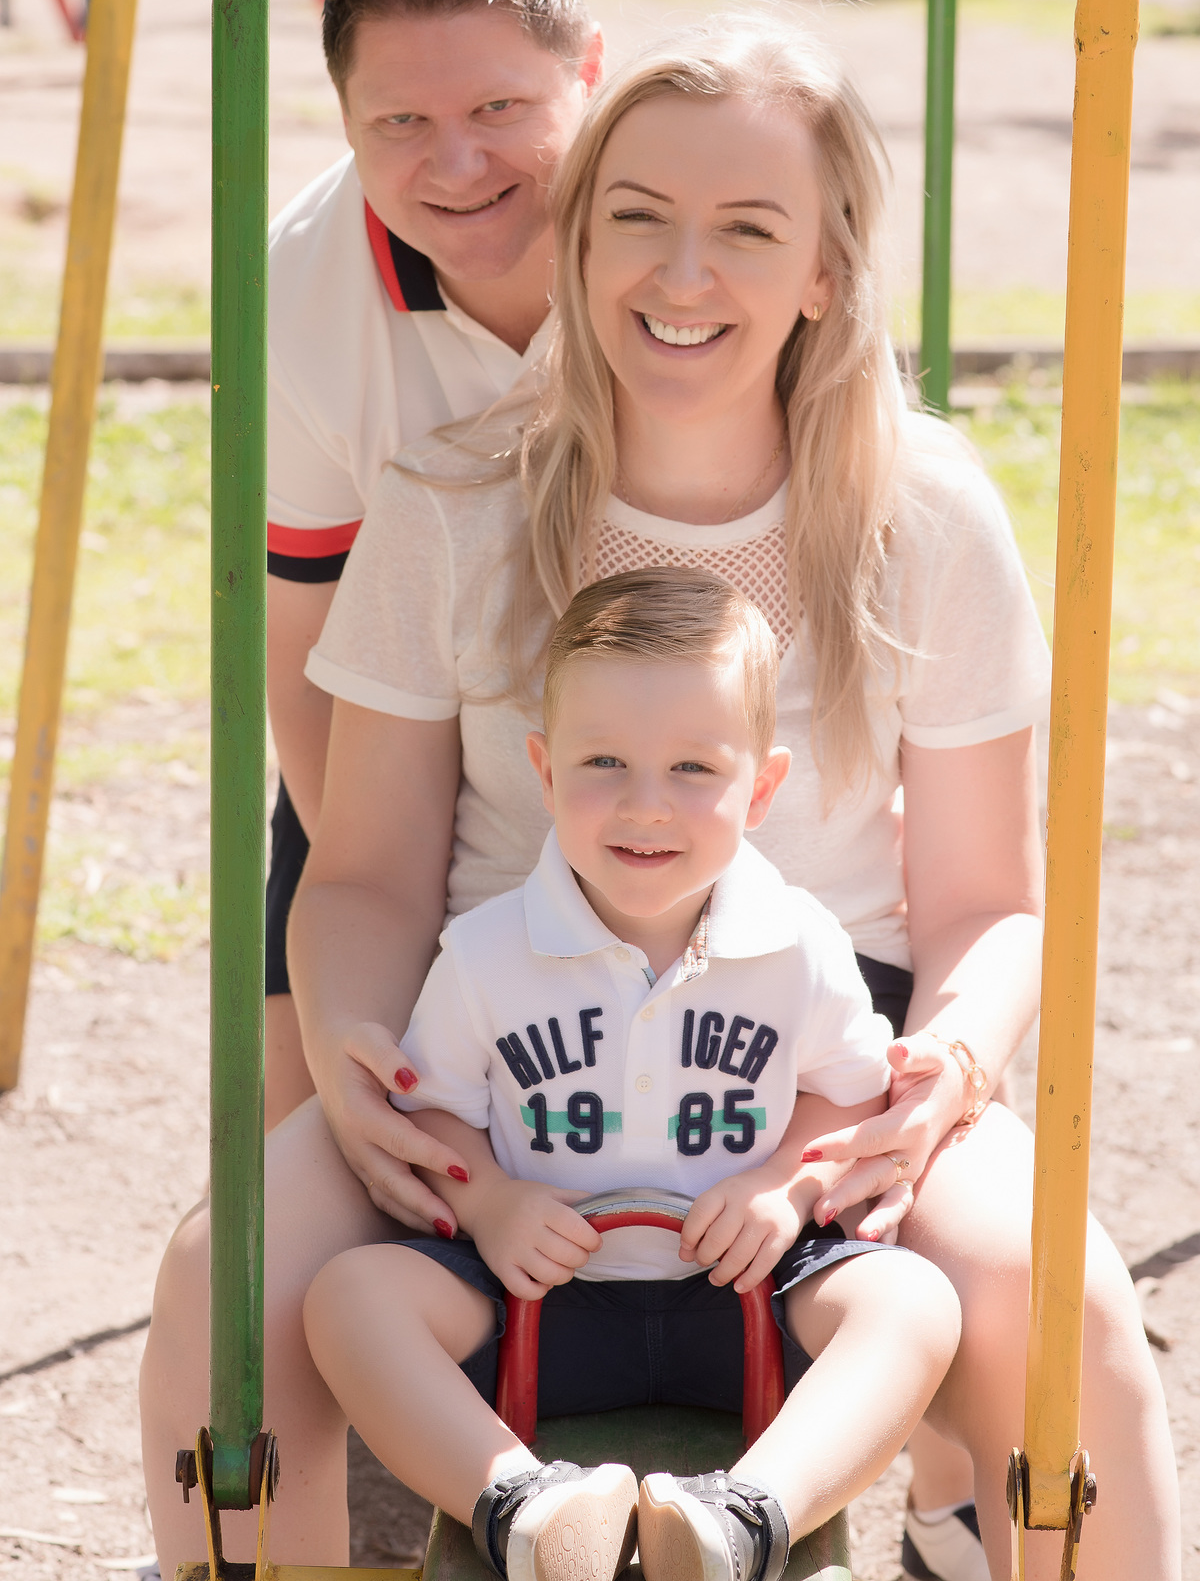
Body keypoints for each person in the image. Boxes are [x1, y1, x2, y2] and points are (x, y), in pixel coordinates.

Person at [141, 11, 1179, 1581]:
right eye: (636, 216)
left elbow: (987, 900)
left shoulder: (926, 516)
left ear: (825, 268)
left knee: (1077, 1315)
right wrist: (355, 1057)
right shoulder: (457, 500)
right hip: (508, 1055)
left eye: (747, 230)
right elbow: (358, 874)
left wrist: (938, 1080)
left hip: (822, 1068)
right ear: (578, 242)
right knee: (229, 1285)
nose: (681, 275)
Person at [303, 569, 962, 1581]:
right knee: (350, 1296)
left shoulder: (798, 944)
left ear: (764, 786)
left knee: (913, 1303)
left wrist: (785, 1185)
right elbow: (431, 1112)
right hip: (537, 1298)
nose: (646, 804)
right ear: (545, 770)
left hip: (747, 1292)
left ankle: (746, 1518)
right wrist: (491, 1205)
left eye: (695, 767)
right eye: (603, 761)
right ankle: (525, 1512)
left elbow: (847, 1082)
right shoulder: (486, 954)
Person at [263, 0, 602, 1128]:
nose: (454, 165)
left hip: (699, 731)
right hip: (399, 742)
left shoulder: (701, 218)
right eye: (397, 122)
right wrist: (397, 915)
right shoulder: (301, 294)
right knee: (307, 1148)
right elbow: (301, 656)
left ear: (592, 72)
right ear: (344, 116)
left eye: (500, 105)